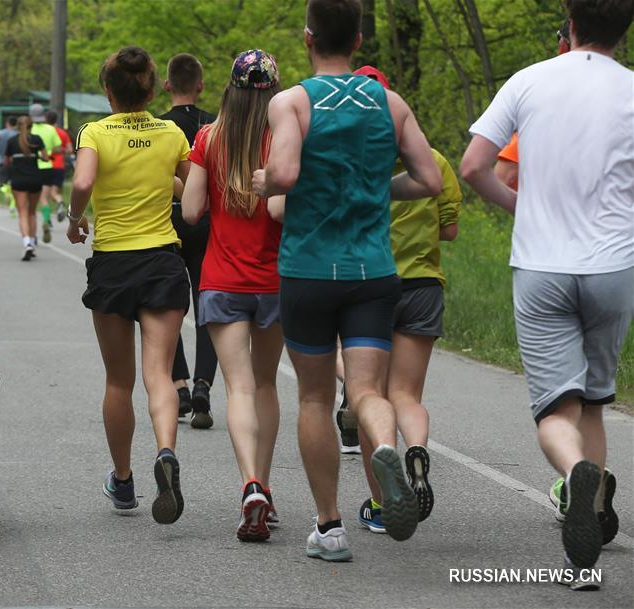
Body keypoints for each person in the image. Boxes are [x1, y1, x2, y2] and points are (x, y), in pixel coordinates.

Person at [252, 0, 442, 560]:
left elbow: (284, 173)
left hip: (310, 269)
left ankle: (329, 528)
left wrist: (266, 182)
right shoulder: (389, 101)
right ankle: (384, 447)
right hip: (373, 270)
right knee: (366, 392)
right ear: (358, 41)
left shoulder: (291, 102)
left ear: (307, 37)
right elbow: (428, 179)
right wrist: (378, 188)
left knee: (314, 396)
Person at [460, 0, 632, 584]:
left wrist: (521, 206)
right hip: (613, 267)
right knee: (592, 403)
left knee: (556, 410)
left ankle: (578, 476)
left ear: (571, 20)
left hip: (541, 266)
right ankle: (592, 527)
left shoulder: (530, 80)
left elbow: (474, 165)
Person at [67, 46, 191, 525]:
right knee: (159, 373)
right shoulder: (171, 131)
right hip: (162, 259)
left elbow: (82, 183)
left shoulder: (95, 131)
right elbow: (188, 188)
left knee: (119, 381)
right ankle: (166, 451)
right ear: (152, 87)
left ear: (107, 90)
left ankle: (123, 480)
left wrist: (77, 219)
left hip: (114, 262)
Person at [339, 66, 462, 534]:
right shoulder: (434, 161)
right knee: (408, 394)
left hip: (372, 284)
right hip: (425, 286)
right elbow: (448, 229)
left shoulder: (355, 160)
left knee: (370, 395)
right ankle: (418, 451)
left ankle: (381, 503)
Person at [181, 49, 285, 541]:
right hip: (275, 280)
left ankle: (249, 485)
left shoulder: (209, 137)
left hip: (222, 279)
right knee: (266, 385)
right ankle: (264, 482)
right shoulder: (284, 139)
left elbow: (192, 211)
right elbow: (286, 210)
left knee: (238, 387)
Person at [160, 53, 220, 428]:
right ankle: (202, 387)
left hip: (167, 220)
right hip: (209, 222)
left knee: (166, 308)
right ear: (200, 85)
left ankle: (179, 386)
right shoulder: (215, 125)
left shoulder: (157, 127)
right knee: (207, 307)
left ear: (167, 86)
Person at [494, 19, 572, 191]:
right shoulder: (622, 93)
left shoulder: (546, 101)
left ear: (563, 45)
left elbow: (500, 176)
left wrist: (529, 212)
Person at [4, 115, 50, 261]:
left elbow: (7, 162)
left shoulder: (11, 141)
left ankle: (27, 244)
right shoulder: (36, 139)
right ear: (31, 126)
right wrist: (38, 157)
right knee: (32, 213)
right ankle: (32, 240)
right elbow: (46, 157)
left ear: (18, 126)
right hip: (35, 179)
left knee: (22, 212)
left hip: (18, 180)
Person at [28, 103, 63, 244]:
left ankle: (32, 236)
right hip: (48, 166)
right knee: (44, 198)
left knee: (31, 205)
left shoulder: (28, 130)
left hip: (32, 166)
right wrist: (49, 152)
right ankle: (47, 220)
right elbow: (58, 148)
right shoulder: (51, 129)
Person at [43, 110, 72, 222]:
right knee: (54, 192)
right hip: (59, 166)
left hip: (46, 165)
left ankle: (47, 219)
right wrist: (61, 150)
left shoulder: (44, 132)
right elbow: (69, 150)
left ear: (45, 120)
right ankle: (60, 203)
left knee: (44, 195)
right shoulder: (62, 133)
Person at [0, 116, 19, 213]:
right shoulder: (18, 134)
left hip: (2, 160)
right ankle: (12, 202)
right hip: (15, 162)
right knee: (14, 184)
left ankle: (7, 193)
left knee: (2, 184)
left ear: (7, 124)